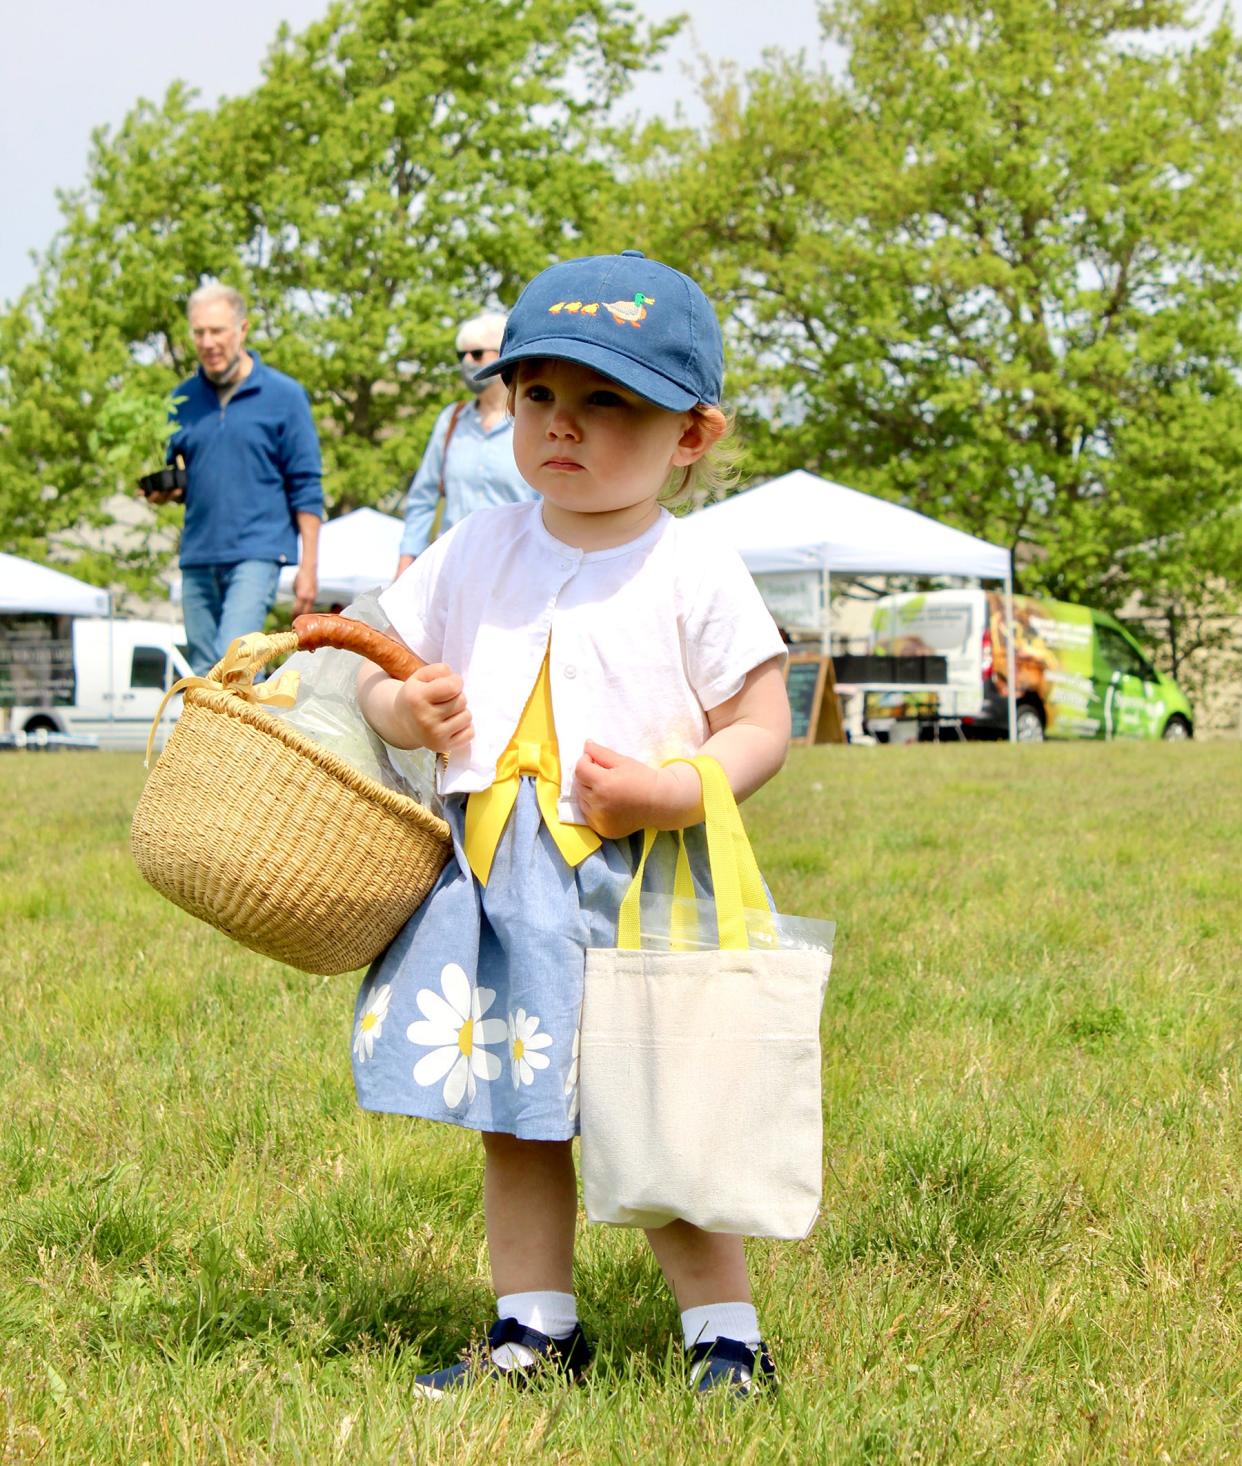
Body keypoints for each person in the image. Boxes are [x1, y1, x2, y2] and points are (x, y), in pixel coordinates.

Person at [353, 251, 790, 1396]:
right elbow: (377, 667)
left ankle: (724, 1332)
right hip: (504, 879)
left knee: (661, 1102)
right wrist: (405, 703)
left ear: (691, 436)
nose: (562, 425)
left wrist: (676, 786)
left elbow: (761, 722)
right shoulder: (476, 549)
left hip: (639, 882)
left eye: (609, 403)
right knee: (520, 1108)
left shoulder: (691, 565)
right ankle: (535, 1326)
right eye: (539, 394)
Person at [161, 284, 324, 675]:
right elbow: (179, 477)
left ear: (242, 329)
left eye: (217, 330)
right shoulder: (181, 401)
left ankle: (257, 733)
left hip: (258, 549)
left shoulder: (284, 396)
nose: (208, 341)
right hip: (199, 553)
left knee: (235, 659)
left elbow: (307, 484)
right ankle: (214, 739)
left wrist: (310, 567)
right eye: (199, 332)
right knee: (203, 671)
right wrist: (164, 489)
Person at [394, 311, 537, 575]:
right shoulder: (452, 420)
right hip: (452, 569)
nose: (467, 362)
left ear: (503, 356)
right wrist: (406, 561)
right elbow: (422, 498)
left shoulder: (532, 423)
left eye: (477, 354)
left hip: (516, 571)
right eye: (462, 356)